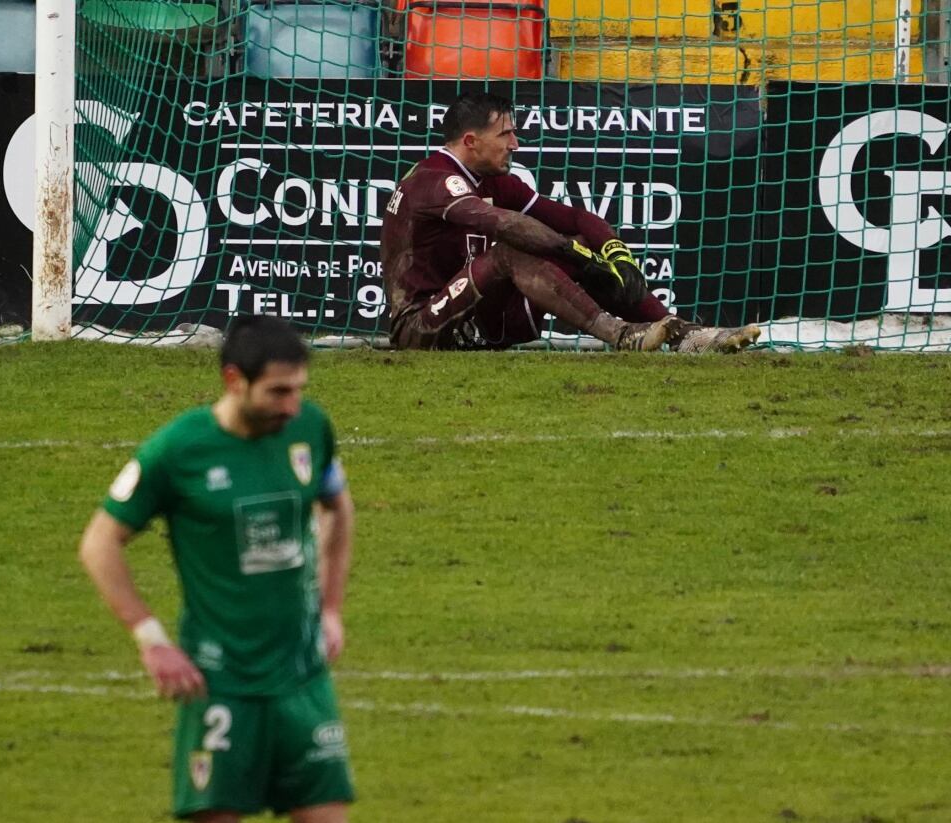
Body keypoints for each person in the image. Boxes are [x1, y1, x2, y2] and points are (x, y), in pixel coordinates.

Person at [79, 316, 356, 823]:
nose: (291, 406)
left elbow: (337, 506)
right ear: (234, 380)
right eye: (277, 392)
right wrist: (151, 638)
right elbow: (99, 543)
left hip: (303, 677)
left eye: (298, 390)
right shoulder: (178, 450)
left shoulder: (310, 428)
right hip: (220, 683)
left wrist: (332, 609)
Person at [380, 90, 761, 353]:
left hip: (477, 319)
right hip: (422, 328)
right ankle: (622, 335)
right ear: (470, 141)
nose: (515, 144)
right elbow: (508, 227)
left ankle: (686, 337)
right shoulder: (435, 180)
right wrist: (577, 255)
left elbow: (576, 217)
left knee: (580, 244)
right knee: (515, 250)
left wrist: (615, 253)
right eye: (506, 134)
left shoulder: (493, 181)